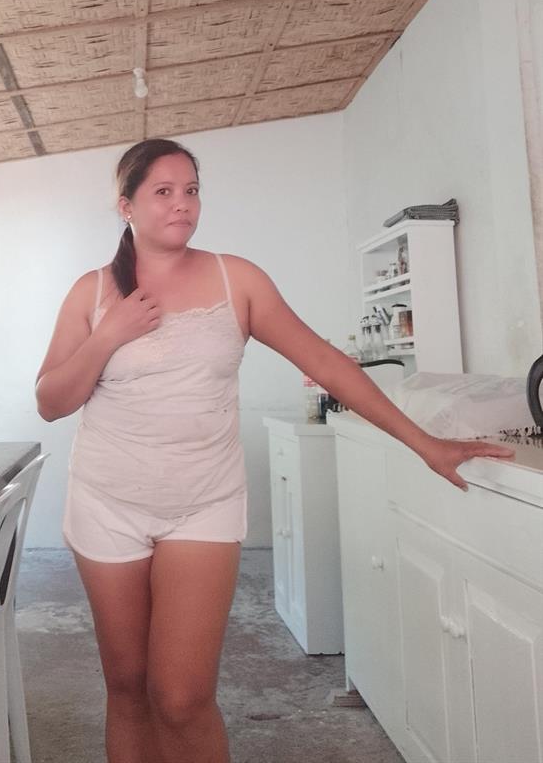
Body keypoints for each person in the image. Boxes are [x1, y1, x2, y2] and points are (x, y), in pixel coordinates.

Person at [35, 138, 514, 763]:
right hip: (106, 504)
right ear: (126, 206)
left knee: (181, 697)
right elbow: (51, 401)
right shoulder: (92, 292)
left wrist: (422, 443)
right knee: (127, 687)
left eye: (191, 190)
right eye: (163, 191)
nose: (182, 204)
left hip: (203, 505)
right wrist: (110, 335)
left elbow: (327, 363)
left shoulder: (237, 279)